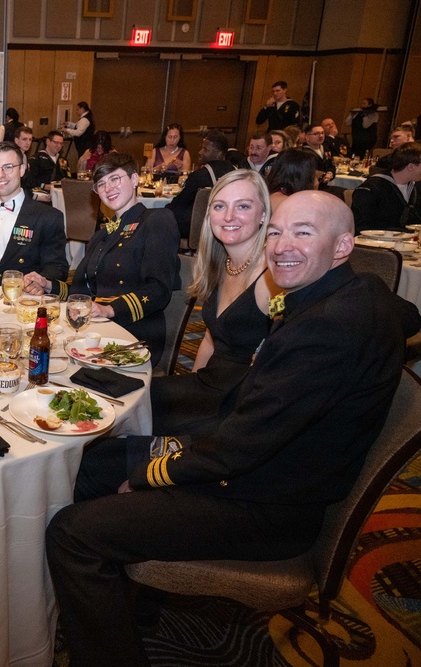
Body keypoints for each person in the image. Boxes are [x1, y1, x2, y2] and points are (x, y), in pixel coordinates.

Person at [45, 191, 421, 667]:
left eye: (304, 233)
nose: (283, 246)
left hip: (266, 505)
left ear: (343, 246)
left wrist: (145, 476)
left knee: (71, 533)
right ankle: (123, 611)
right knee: (87, 462)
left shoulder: (326, 330)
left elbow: (236, 452)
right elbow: (409, 314)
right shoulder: (354, 293)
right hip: (254, 465)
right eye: (279, 232)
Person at [150, 170, 276, 435]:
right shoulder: (222, 264)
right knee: (127, 400)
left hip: (236, 406)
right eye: (220, 206)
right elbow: (211, 336)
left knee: (122, 438)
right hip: (208, 386)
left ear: (263, 214)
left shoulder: (272, 278)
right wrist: (190, 386)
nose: (229, 216)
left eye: (243, 206)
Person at [27, 153, 179, 362]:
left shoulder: (156, 220)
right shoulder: (102, 235)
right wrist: (48, 286)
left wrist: (109, 309)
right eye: (101, 184)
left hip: (135, 334)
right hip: (97, 330)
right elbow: (83, 294)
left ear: (134, 179)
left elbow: (159, 289)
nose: (108, 188)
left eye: (115, 179)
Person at [0, 142, 68, 288]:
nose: (0, 175)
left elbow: (57, 268)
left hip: (24, 299)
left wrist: (41, 281)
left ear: (22, 169)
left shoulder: (48, 217)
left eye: (8, 167)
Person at [166, 131, 236, 239]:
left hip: (199, 228)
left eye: (206, 149)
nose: (200, 152)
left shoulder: (199, 176)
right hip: (228, 224)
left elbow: (179, 204)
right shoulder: (236, 172)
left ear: (218, 154)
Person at [352, 142, 421, 234]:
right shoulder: (371, 188)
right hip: (376, 244)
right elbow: (362, 227)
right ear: (411, 166)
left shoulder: (416, 188)